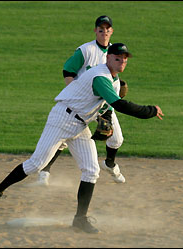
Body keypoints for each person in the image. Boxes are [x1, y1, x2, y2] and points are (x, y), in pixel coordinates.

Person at [0, 43, 164, 234]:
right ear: (108, 58)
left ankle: (80, 219)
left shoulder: (115, 81)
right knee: (36, 164)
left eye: (125, 58)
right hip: (62, 119)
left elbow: (107, 109)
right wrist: (151, 110)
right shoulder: (100, 76)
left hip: (80, 125)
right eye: (117, 57)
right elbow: (120, 105)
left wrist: (107, 121)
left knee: (92, 171)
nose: (122, 61)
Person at [37, 15, 126, 186]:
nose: (104, 33)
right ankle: (45, 170)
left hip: (102, 105)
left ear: (112, 31)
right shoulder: (86, 50)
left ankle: (109, 164)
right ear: (95, 31)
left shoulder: (115, 53)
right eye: (101, 30)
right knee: (63, 139)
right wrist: (74, 92)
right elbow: (68, 70)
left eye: (107, 30)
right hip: (82, 104)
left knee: (116, 139)